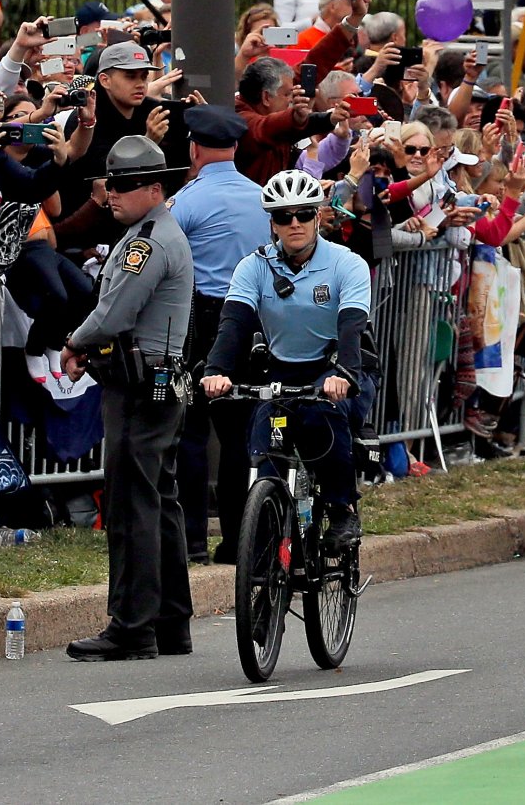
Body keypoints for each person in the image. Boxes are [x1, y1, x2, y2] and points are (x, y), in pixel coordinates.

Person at [63, 135, 195, 662]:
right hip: (154, 379)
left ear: (155, 187)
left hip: (141, 384)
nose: (111, 193)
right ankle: (169, 622)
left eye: (123, 185)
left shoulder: (149, 241)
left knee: (132, 503)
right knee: (158, 499)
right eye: (109, 183)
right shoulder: (147, 233)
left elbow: (116, 312)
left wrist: (75, 341)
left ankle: (133, 625)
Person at [201, 169, 373, 548]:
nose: (293, 223)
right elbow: (233, 325)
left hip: (336, 367)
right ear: (272, 223)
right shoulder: (254, 266)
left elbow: (351, 328)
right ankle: (266, 541)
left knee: (323, 416)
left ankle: (342, 511)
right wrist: (216, 371)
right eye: (282, 216)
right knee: (265, 441)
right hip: (282, 369)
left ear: (317, 216)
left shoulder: (347, 264)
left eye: (303, 214)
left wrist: (343, 373)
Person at [168, 104, 270, 565]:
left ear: (194, 149)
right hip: (251, 320)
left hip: (202, 320)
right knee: (237, 436)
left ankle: (190, 539)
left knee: (190, 430)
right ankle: (237, 540)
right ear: (234, 147)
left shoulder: (187, 200)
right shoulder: (261, 196)